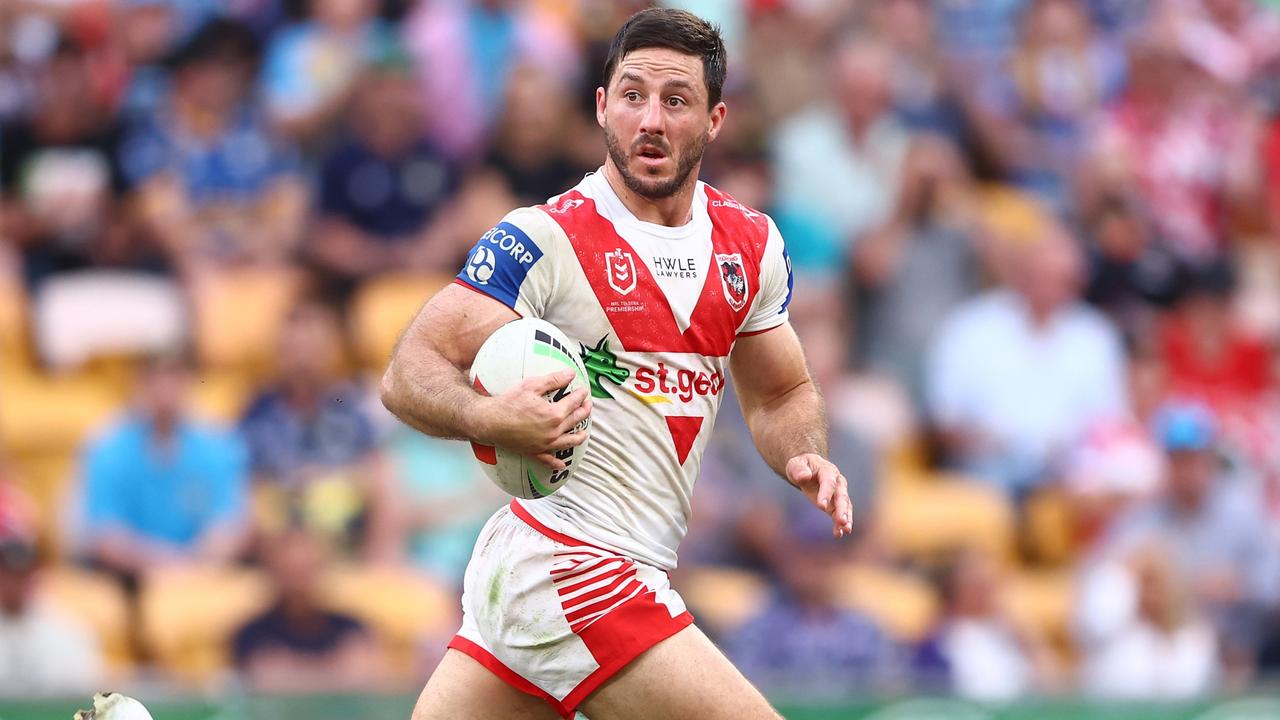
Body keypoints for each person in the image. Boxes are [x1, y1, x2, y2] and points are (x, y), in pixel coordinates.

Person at [380, 9, 853, 719]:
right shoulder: (544, 236)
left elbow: (782, 393)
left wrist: (803, 456)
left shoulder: (750, 247)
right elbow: (406, 372)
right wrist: (489, 417)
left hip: (568, 574)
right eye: (632, 96)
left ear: (715, 119)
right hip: (569, 565)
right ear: (602, 106)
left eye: (676, 100)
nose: (651, 120)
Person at [232, 528, 382, 692]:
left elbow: (362, 676)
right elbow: (265, 682)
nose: (298, 583)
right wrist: (334, 669)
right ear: (273, 571)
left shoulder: (350, 628)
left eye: (305, 571)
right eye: (290, 571)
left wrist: (291, 672)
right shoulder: (252, 633)